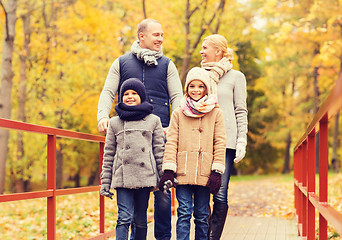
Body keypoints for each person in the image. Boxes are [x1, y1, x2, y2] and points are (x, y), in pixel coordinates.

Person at [97, 18, 183, 240]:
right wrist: (102, 117)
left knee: (163, 193)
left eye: (162, 35)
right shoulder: (122, 63)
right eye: (157, 35)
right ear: (141, 36)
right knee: (133, 200)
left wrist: (173, 127)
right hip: (130, 135)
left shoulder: (167, 64)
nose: (161, 39)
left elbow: (177, 98)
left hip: (160, 134)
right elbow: (108, 92)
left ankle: (163, 237)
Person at [159, 67, 226, 240]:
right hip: (183, 171)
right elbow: (171, 141)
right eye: (192, 86)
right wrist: (168, 170)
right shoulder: (178, 113)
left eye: (200, 86)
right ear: (186, 89)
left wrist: (217, 171)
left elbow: (220, 142)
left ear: (206, 88)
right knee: (184, 213)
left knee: (202, 215)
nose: (196, 90)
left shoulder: (216, 112)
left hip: (205, 172)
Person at [100, 78, 165, 240]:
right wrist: (105, 182)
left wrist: (164, 177)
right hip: (122, 177)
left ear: (141, 96)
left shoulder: (153, 121)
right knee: (123, 218)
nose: (130, 96)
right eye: (126, 94)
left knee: (141, 220)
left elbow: (159, 151)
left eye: (134, 93)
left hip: (145, 176)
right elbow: (109, 154)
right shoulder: (115, 122)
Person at [200, 34, 248, 240]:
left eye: (205, 48)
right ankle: (202, 234)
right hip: (201, 142)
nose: (201, 52)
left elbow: (240, 110)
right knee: (201, 192)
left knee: (220, 192)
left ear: (218, 51)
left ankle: (213, 237)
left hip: (226, 143)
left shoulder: (236, 77)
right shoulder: (198, 75)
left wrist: (241, 140)